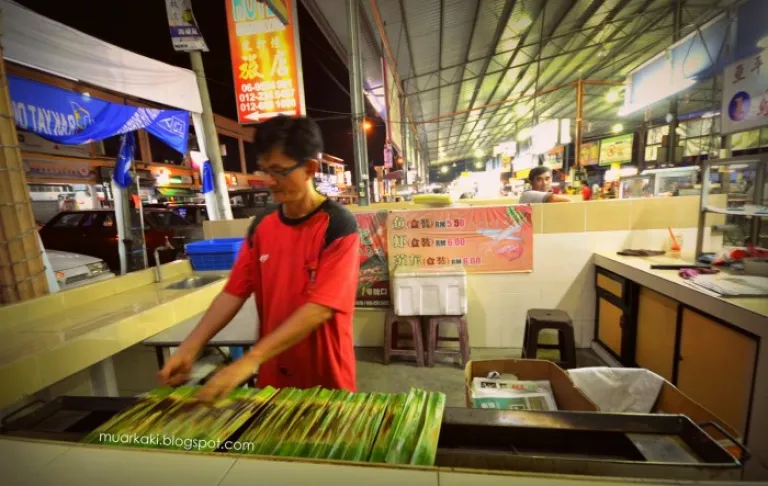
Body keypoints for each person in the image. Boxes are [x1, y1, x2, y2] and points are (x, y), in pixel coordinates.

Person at [158, 115, 361, 402]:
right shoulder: (262, 225)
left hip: (324, 377)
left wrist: (250, 359)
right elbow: (233, 292)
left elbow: (321, 307)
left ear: (309, 169)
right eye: (265, 170)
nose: (269, 181)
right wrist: (191, 345)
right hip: (274, 376)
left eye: (278, 171)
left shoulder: (338, 226)